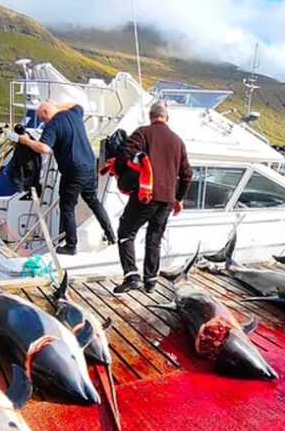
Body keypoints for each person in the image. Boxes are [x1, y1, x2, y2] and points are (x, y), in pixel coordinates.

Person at [15, 100, 116, 255]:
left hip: (73, 171)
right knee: (93, 201)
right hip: (89, 166)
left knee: (67, 207)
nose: (44, 122)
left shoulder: (53, 125)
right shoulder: (74, 114)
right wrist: (56, 107)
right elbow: (77, 104)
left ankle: (71, 245)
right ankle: (111, 235)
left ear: (46, 114)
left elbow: (44, 148)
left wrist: (25, 141)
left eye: (43, 119)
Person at [113, 102, 192, 294]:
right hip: (167, 199)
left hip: (146, 195)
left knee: (126, 232)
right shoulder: (178, 141)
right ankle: (150, 281)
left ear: (151, 116)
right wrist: (178, 198)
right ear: (166, 118)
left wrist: (134, 167)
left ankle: (131, 276)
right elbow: (187, 174)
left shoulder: (143, 133)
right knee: (154, 238)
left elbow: (125, 153)